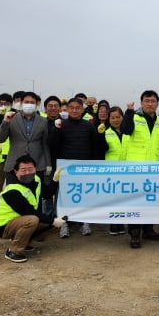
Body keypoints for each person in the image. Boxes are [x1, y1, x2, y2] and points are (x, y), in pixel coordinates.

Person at [120, 90, 159, 248]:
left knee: (151, 201)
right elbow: (125, 130)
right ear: (141, 103)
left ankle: (149, 230)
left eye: (153, 101)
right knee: (135, 202)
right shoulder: (133, 117)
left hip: (155, 168)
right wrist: (128, 112)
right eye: (147, 101)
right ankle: (135, 234)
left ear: (157, 104)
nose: (150, 103)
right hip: (136, 169)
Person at [0, 155, 67, 263]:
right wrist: (54, 221)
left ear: (35, 169)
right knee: (33, 220)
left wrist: (55, 180)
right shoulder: (12, 190)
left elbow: (47, 194)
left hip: (21, 220)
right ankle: (14, 251)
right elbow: (29, 212)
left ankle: (24, 242)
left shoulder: (36, 180)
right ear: (16, 172)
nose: (28, 172)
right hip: (4, 226)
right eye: (23, 170)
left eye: (30, 169)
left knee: (47, 223)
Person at [54, 97, 100, 238]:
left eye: (77, 108)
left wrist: (93, 166)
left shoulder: (89, 126)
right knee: (63, 197)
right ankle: (63, 225)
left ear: (82, 109)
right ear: (67, 109)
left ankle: (84, 222)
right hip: (65, 168)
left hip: (84, 167)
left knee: (84, 195)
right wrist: (56, 130)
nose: (74, 110)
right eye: (71, 107)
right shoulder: (61, 125)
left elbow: (94, 147)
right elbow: (53, 145)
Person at [0, 91, 52, 183]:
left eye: (32, 102)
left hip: (36, 165)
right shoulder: (11, 118)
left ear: (37, 104)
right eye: (26, 102)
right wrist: (5, 121)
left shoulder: (43, 121)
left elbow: (45, 144)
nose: (29, 104)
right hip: (14, 165)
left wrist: (48, 164)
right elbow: (0, 139)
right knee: (14, 194)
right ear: (21, 103)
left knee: (35, 195)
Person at [99, 105, 128, 235]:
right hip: (112, 169)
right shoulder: (105, 132)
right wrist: (99, 135)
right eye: (113, 117)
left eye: (118, 117)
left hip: (127, 169)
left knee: (124, 197)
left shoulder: (129, 132)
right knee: (113, 198)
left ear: (122, 117)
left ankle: (122, 222)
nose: (115, 120)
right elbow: (101, 149)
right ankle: (114, 223)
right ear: (108, 119)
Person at [42, 95, 62, 216]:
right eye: (50, 106)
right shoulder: (40, 122)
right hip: (46, 162)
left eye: (56, 106)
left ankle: (57, 215)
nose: (53, 108)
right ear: (45, 108)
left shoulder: (65, 122)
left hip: (61, 162)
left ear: (60, 108)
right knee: (46, 193)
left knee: (60, 192)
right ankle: (47, 217)